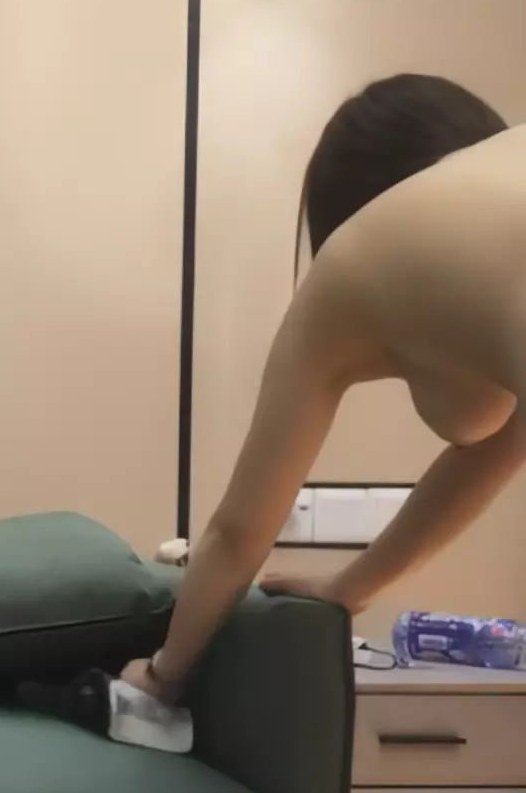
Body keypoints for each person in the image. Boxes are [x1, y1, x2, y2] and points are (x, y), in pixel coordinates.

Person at [123, 73, 525, 707]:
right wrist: (352, 586)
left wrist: (161, 678)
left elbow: (238, 533)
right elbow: (494, 448)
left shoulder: (351, 260)